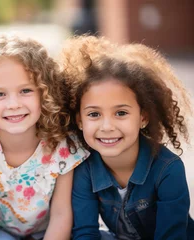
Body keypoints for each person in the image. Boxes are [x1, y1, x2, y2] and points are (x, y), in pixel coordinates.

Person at [0, 34, 89, 240]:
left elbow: (61, 214)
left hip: (47, 232)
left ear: (44, 94)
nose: (14, 104)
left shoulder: (61, 144)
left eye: (25, 90)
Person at [60, 35, 194, 239]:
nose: (107, 127)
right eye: (94, 114)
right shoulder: (84, 168)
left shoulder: (168, 169)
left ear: (143, 117)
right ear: (79, 121)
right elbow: (85, 232)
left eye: (121, 113)